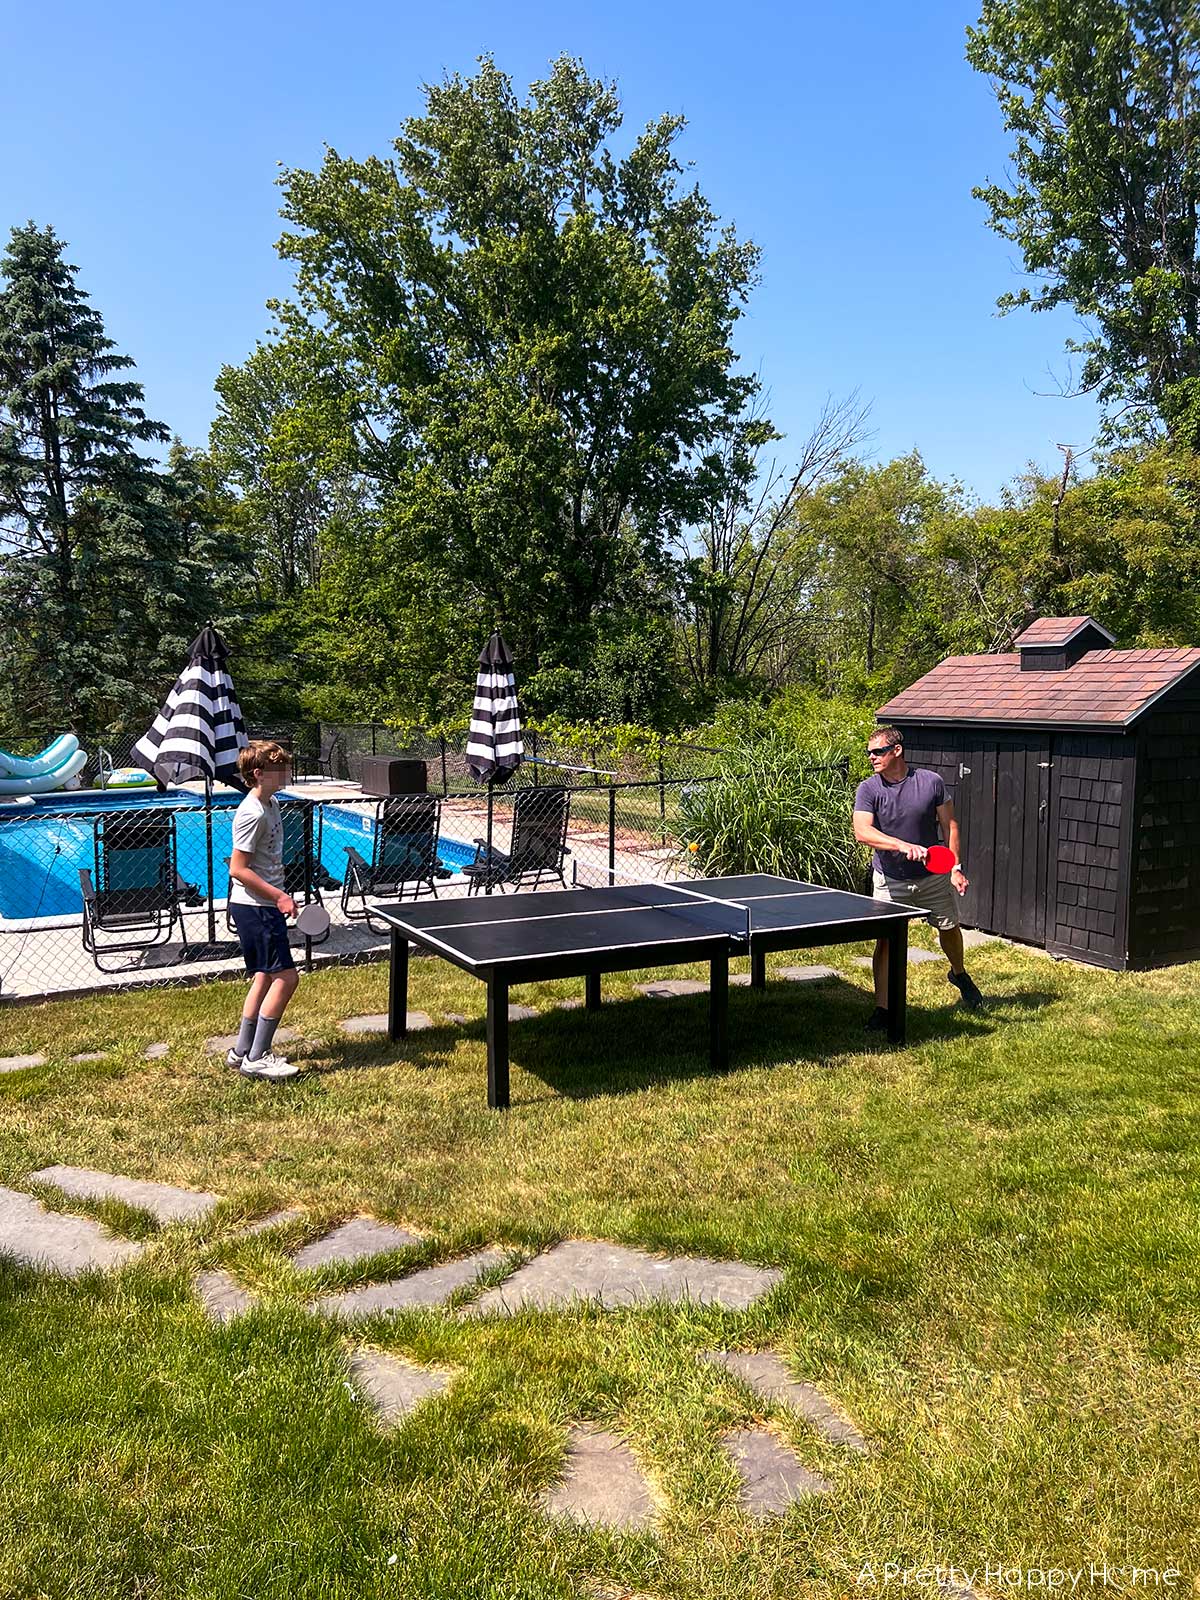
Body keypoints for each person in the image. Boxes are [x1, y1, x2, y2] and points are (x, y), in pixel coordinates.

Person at [852, 727, 984, 1029]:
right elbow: (862, 832)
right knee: (885, 941)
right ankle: (883, 1009)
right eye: (869, 752)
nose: (871, 757)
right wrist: (901, 845)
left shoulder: (930, 782)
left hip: (933, 877)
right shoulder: (869, 789)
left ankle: (958, 973)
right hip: (890, 879)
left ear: (896, 750)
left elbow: (950, 825)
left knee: (950, 929)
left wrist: (954, 867)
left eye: (877, 751)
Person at [226, 740, 301, 1080]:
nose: (286, 772)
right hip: (256, 906)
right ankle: (259, 1056)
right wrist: (279, 896)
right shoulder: (252, 812)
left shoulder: (270, 804)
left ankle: (241, 1050)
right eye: (280, 768)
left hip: (260, 904)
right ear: (259, 774)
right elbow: (238, 869)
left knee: (264, 975)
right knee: (287, 977)